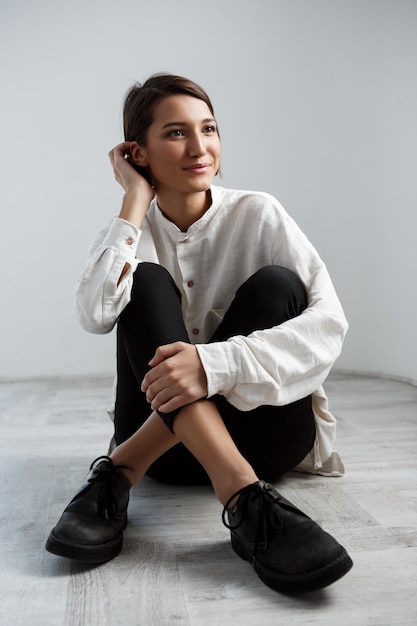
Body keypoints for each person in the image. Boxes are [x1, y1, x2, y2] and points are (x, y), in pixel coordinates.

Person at [46, 73, 353, 593]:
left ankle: (120, 470)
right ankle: (244, 499)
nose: (200, 147)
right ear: (137, 153)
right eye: (175, 133)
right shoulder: (128, 231)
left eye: (208, 128)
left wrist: (213, 366)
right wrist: (133, 202)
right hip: (176, 459)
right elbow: (95, 314)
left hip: (268, 438)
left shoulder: (260, 213)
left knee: (279, 285)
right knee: (141, 280)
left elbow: (329, 325)